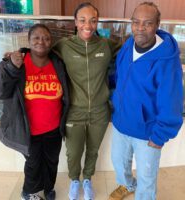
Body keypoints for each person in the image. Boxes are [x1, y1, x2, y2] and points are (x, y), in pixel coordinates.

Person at [108, 2, 183, 200]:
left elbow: (172, 102)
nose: (140, 28)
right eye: (136, 22)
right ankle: (127, 185)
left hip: (147, 133)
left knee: (147, 178)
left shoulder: (167, 60)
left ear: (158, 24)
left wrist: (159, 136)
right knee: (119, 163)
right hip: (121, 123)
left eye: (147, 23)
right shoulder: (128, 44)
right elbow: (120, 77)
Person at [0, 24, 69, 200]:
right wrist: (10, 67)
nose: (41, 42)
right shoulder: (17, 61)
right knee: (33, 164)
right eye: (36, 38)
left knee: (52, 162)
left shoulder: (58, 62)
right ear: (29, 41)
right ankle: (28, 192)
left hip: (54, 129)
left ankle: (49, 188)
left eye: (46, 38)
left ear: (51, 42)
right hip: (28, 131)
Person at [53, 2, 120, 200]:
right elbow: (41, 52)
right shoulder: (64, 45)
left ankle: (87, 179)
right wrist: (21, 54)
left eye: (93, 20)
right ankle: (75, 180)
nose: (88, 25)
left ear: (97, 22)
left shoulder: (106, 45)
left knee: (93, 149)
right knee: (73, 152)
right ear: (75, 22)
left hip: (100, 110)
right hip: (74, 110)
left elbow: (132, 51)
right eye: (82, 20)